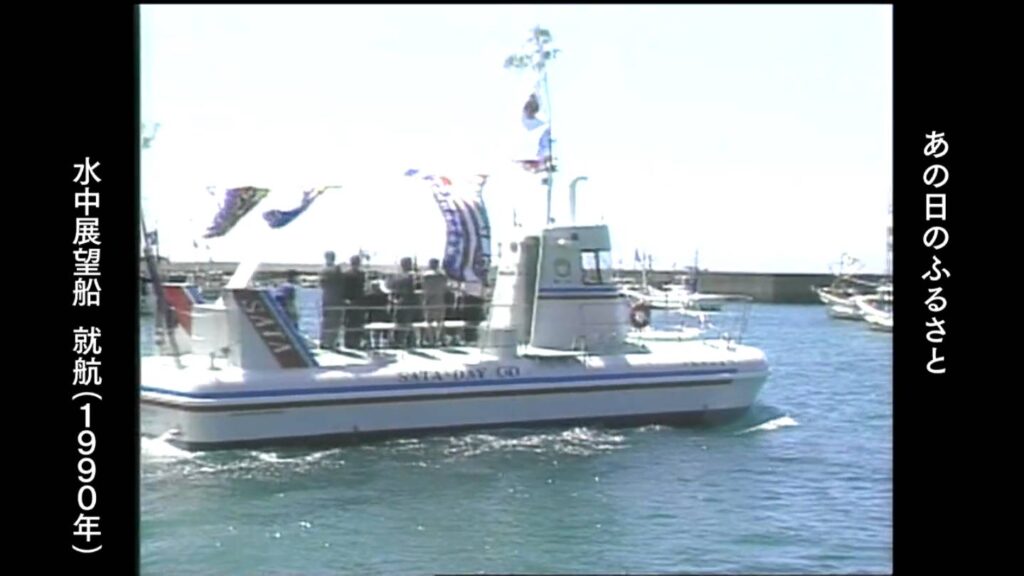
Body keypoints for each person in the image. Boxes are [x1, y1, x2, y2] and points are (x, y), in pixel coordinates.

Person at [387, 257, 418, 348]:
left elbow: (393, 286)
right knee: (405, 323)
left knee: (402, 323)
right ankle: (407, 342)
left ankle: (400, 341)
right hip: (408, 302)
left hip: (402, 302)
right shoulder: (409, 276)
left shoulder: (403, 276)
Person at [319, 251, 346, 350]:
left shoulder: (322, 270)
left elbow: (322, 284)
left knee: (325, 320)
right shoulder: (336, 269)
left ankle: (323, 341)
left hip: (326, 298)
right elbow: (341, 283)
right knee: (335, 321)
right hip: (336, 298)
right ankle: (332, 342)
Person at [420, 258, 448, 346]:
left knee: (429, 321)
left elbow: (423, 287)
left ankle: (431, 340)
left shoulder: (426, 276)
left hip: (429, 300)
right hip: (440, 300)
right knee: (440, 321)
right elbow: (445, 287)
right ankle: (441, 340)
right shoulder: (442, 276)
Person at [341, 254, 367, 349]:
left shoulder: (346, 274)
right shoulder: (362, 274)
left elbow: (343, 289)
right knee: (358, 323)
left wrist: (344, 299)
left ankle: (348, 343)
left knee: (349, 323)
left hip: (349, 301)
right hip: (359, 301)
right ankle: (356, 342)